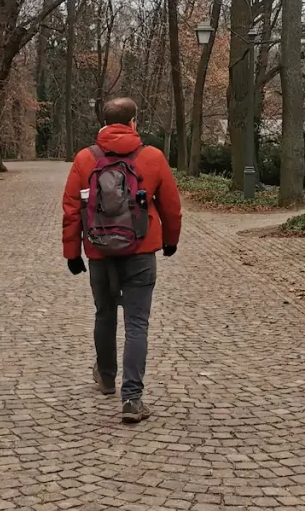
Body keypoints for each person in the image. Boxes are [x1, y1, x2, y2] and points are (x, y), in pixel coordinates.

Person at [61, 97, 182, 423]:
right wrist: (170, 240)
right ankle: (132, 398)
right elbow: (171, 205)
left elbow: (72, 209)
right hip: (140, 252)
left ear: (104, 122)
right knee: (137, 323)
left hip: (99, 252)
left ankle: (106, 377)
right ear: (133, 122)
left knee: (104, 313)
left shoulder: (86, 159)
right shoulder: (152, 157)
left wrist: (72, 253)